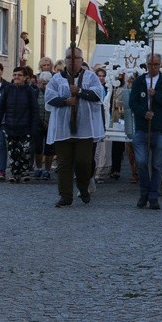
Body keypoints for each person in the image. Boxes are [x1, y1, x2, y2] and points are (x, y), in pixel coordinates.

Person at [45, 47, 104, 207]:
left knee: (83, 161)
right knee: (64, 163)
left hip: (84, 128)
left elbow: (98, 95)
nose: (72, 61)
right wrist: (65, 101)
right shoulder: (57, 79)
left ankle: (83, 187)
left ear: (81, 59)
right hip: (63, 128)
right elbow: (49, 97)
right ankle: (65, 195)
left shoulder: (90, 77)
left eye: (75, 58)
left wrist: (79, 91)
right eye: (69, 58)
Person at [129, 53, 162, 210]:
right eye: (150, 64)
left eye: (156, 64)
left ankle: (154, 195)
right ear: (146, 64)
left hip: (159, 128)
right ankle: (144, 192)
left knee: (157, 165)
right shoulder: (139, 81)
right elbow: (132, 102)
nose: (152, 67)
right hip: (142, 128)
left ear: (160, 64)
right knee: (141, 162)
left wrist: (156, 95)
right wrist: (144, 112)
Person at [0, 67, 39, 183]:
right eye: (14, 75)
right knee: (13, 152)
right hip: (10, 127)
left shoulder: (29, 91)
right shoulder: (8, 90)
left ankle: (24, 172)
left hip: (25, 127)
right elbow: (0, 108)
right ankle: (15, 173)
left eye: (19, 75)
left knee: (25, 151)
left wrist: (34, 127)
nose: (16, 77)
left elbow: (35, 110)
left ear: (24, 77)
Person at [33, 71, 54, 181]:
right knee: (38, 147)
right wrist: (40, 122)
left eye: (47, 83)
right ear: (39, 82)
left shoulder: (54, 93)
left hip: (51, 124)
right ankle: (39, 168)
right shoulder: (35, 93)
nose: (45, 85)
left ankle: (47, 170)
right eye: (43, 83)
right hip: (38, 123)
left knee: (49, 148)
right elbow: (34, 109)